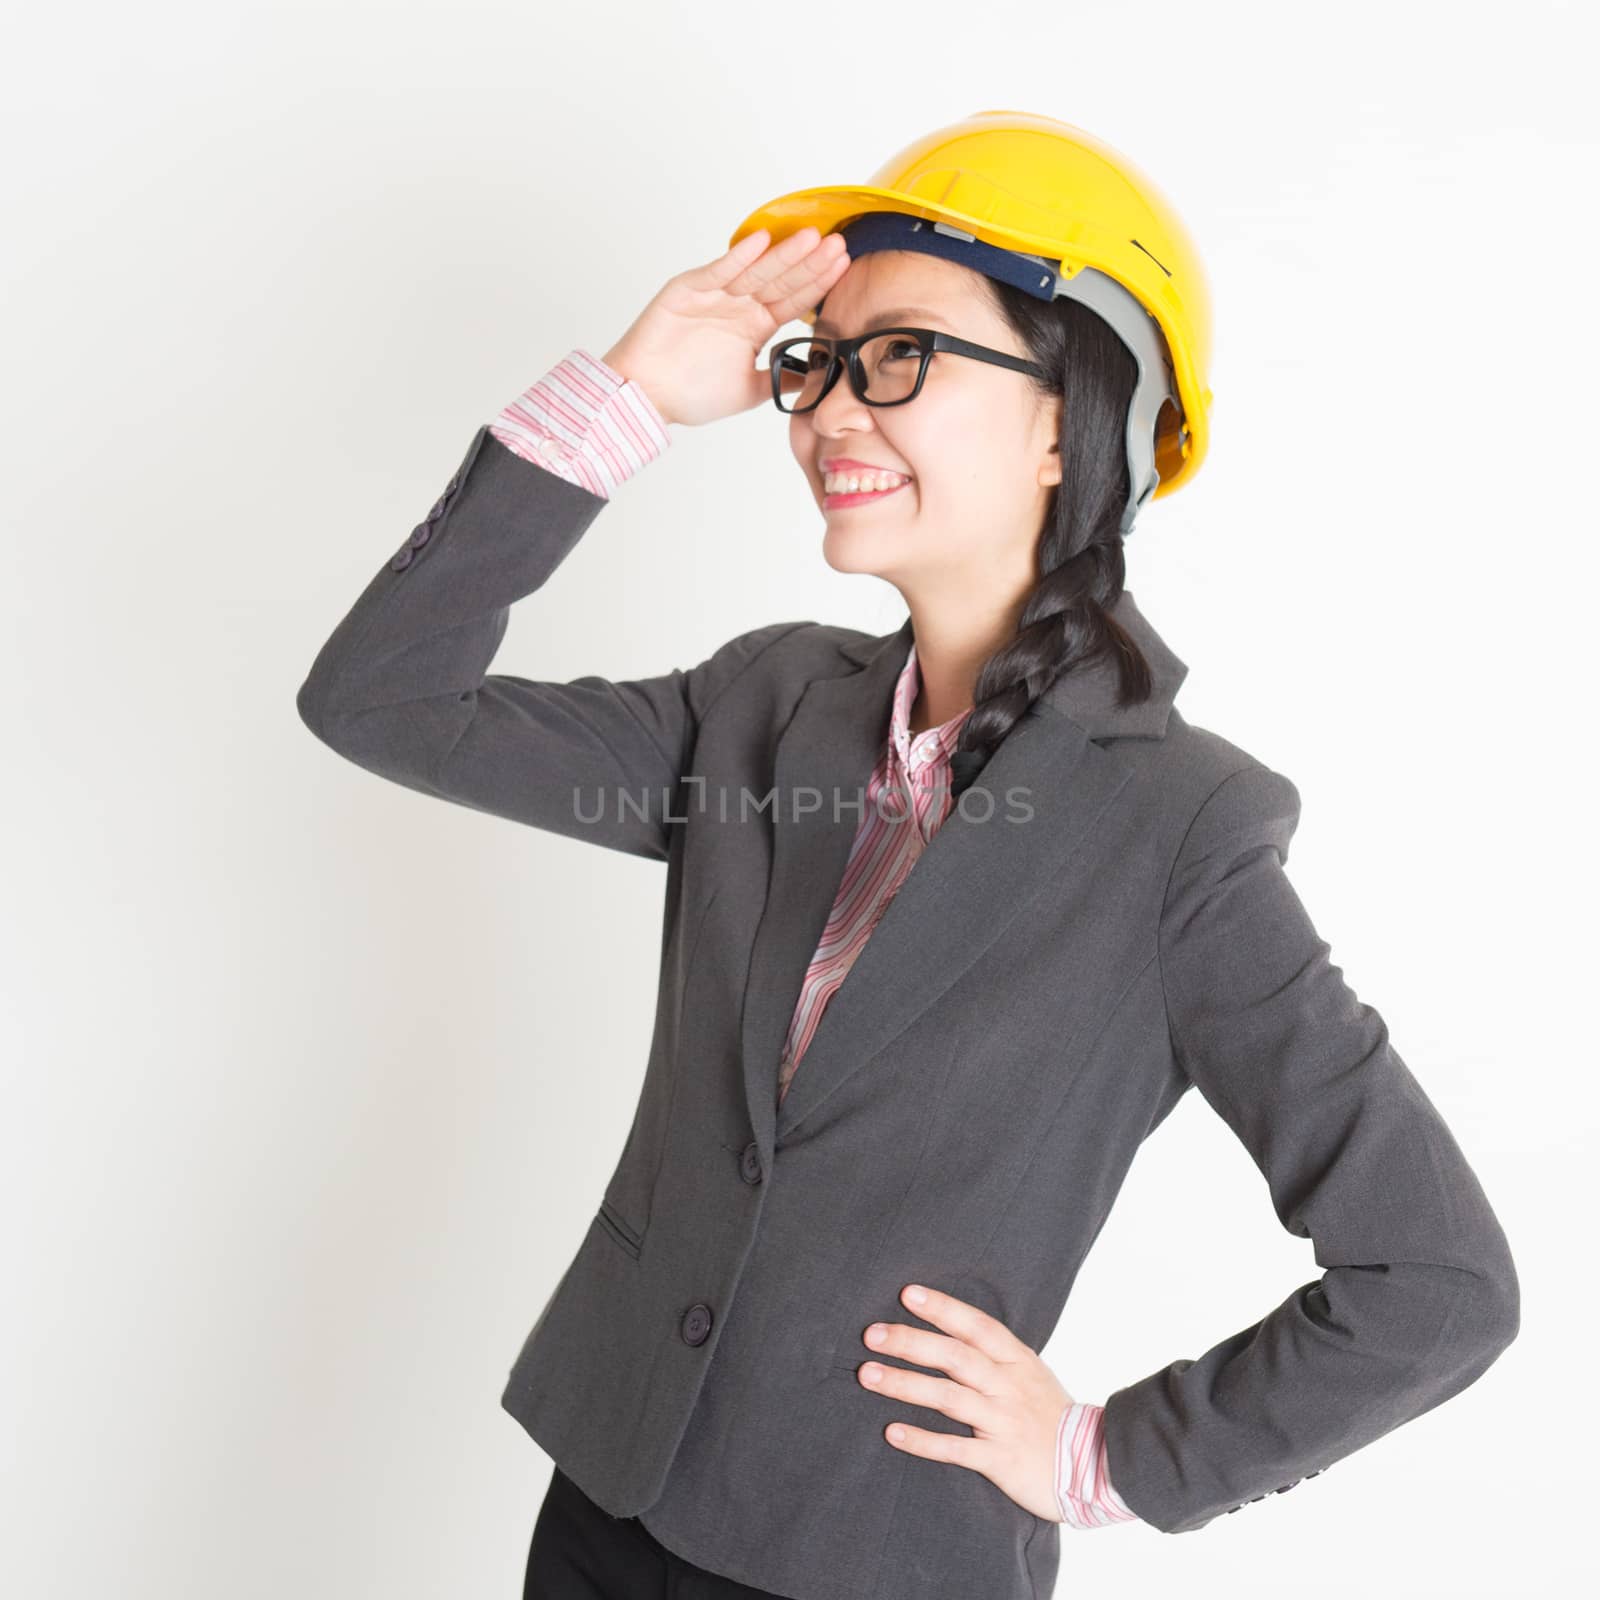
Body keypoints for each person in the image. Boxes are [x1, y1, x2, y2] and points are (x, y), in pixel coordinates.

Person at [297, 112, 1520, 1600]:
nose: (824, 414)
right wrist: (622, 398)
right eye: (818, 361)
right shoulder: (761, 708)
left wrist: (1108, 1455)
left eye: (901, 357)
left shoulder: (1181, 834)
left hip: (875, 1556)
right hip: (609, 1504)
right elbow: (385, 700)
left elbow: (1439, 1283)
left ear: (1069, 417)